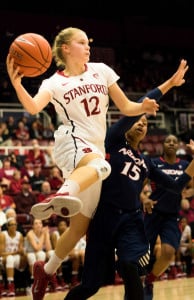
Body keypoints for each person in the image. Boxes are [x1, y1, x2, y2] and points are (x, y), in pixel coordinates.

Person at [6, 26, 158, 300]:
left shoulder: (101, 70)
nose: (88, 46)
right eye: (82, 42)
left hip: (92, 153)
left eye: (88, 42)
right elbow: (32, 107)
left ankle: (45, 270)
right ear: (66, 48)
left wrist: (143, 107)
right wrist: (17, 84)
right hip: (72, 143)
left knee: (78, 228)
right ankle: (63, 193)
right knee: (103, 166)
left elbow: (125, 107)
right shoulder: (53, 82)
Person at [63, 62, 194, 300]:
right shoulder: (113, 141)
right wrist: (169, 85)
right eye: (139, 120)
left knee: (129, 265)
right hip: (103, 217)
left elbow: (175, 187)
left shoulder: (147, 162)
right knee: (92, 285)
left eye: (145, 124)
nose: (142, 123)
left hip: (131, 219)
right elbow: (134, 108)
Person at [143, 134, 194, 299]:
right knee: (143, 254)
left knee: (168, 251)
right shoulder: (154, 163)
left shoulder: (185, 165)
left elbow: (192, 186)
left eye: (174, 141)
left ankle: (150, 280)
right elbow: (138, 186)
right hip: (152, 213)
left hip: (172, 216)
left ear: (178, 145)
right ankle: (136, 286)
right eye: (167, 141)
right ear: (162, 145)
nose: (171, 143)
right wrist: (145, 199)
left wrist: (186, 194)